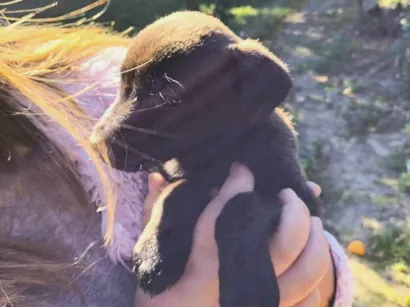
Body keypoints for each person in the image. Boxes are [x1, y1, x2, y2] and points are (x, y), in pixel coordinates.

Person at [0, 10, 353, 307]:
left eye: (164, 97)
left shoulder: (84, 80)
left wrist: (318, 278)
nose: (99, 137)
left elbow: (306, 232)